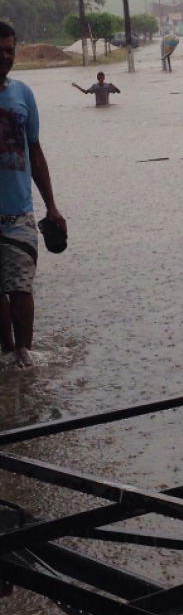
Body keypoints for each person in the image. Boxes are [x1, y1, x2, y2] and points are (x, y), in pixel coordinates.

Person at [0, 21, 67, 366]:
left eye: (10, 50)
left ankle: (24, 359)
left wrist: (51, 206)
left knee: (21, 287)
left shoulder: (23, 94)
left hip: (20, 213)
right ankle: (7, 355)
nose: (6, 58)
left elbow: (35, 151)